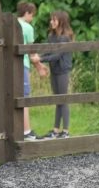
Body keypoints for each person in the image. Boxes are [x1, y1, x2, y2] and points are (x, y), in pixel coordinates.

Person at [37, 10, 74, 139]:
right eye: (51, 19)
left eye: (54, 20)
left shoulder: (65, 37)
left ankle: (66, 131)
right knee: (58, 100)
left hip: (63, 71)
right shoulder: (51, 37)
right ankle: (56, 130)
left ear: (61, 22)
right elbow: (49, 53)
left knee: (63, 100)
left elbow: (57, 56)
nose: (51, 22)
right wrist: (39, 58)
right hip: (54, 71)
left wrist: (40, 59)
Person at [17, 2, 47, 140]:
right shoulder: (27, 28)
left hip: (9, 67)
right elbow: (32, 54)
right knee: (25, 98)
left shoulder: (11, 25)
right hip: (22, 66)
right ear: (27, 13)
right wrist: (40, 67)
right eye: (32, 15)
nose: (32, 18)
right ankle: (26, 131)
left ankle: (16, 130)